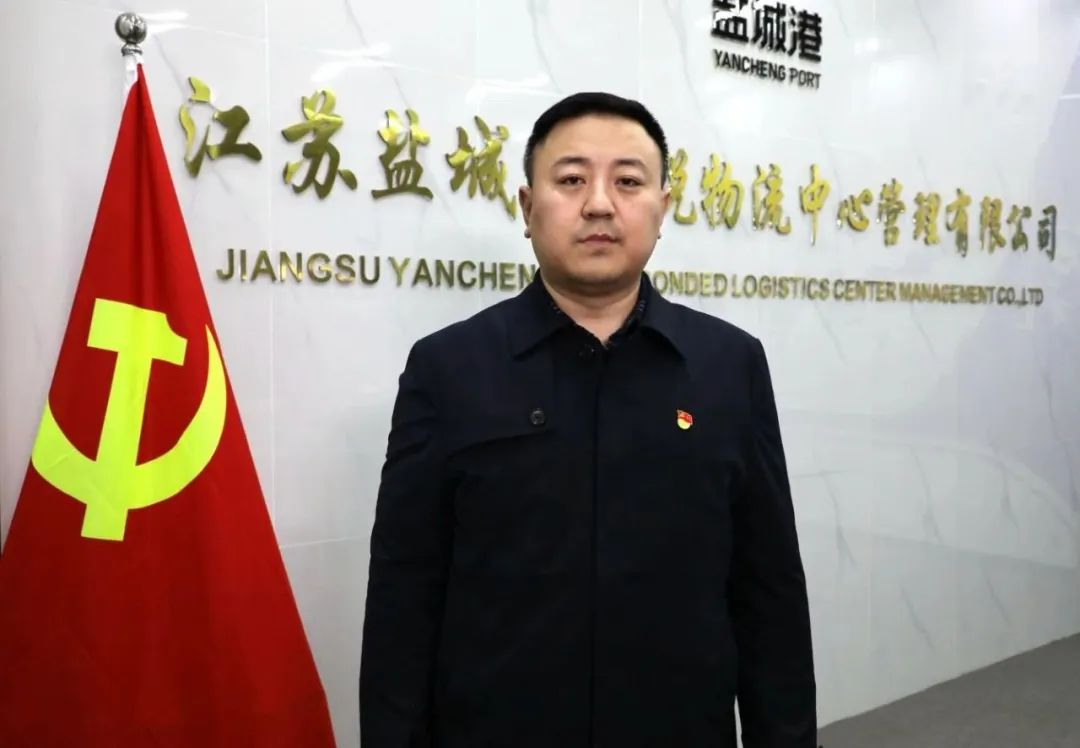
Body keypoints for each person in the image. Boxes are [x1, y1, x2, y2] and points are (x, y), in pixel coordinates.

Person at [360, 91, 816, 747]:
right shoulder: (448, 367)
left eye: (628, 181)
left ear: (663, 208)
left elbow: (768, 590)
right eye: (571, 179)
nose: (599, 204)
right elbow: (404, 592)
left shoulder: (729, 365)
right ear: (527, 207)